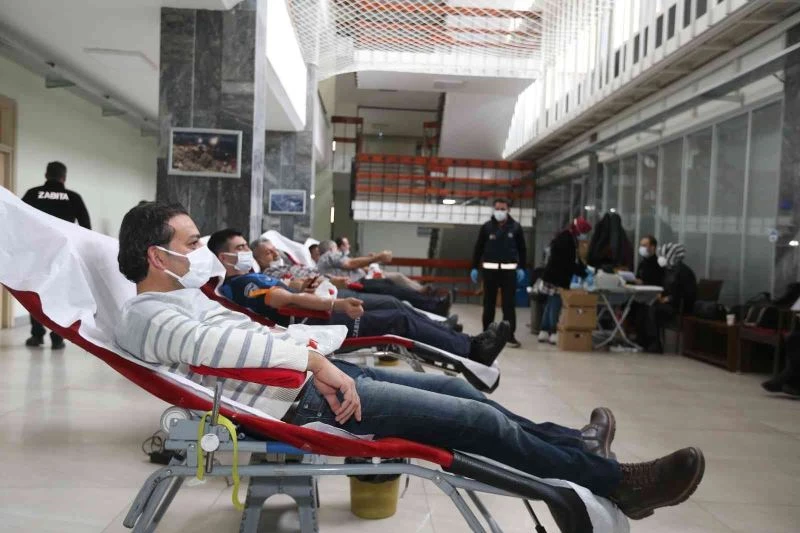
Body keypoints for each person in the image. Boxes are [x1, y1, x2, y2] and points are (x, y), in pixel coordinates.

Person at [113, 201, 705, 520]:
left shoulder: (182, 300)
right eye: (192, 243)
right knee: (477, 422)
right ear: (156, 256)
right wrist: (317, 363)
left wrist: (319, 354)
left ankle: (576, 445)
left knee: (465, 395)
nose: (203, 252)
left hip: (304, 380)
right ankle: (619, 483)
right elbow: (229, 348)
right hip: (298, 402)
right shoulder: (146, 316)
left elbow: (247, 336)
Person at [210, 230, 501, 364]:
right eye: (241, 248)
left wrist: (306, 288)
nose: (247, 252)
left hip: (315, 313)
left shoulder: (249, 277)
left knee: (396, 309)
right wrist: (335, 303)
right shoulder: (243, 283)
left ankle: (465, 342)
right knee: (397, 320)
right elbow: (281, 300)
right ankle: (471, 350)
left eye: (247, 246)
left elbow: (286, 292)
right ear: (224, 257)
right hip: (315, 324)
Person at [21, 161, 91, 349]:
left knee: (35, 294)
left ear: (46, 175)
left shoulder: (32, 194)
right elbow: (86, 227)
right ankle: (57, 337)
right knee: (60, 297)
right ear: (64, 177)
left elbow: (19, 220)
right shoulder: (73, 198)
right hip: (62, 256)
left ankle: (37, 335)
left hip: (37, 255)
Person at [316, 240, 450, 316]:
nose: (339, 252)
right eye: (336, 249)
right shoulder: (329, 255)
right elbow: (350, 264)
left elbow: (352, 265)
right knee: (395, 291)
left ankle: (431, 304)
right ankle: (433, 305)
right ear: (331, 248)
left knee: (395, 289)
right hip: (358, 284)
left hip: (359, 283)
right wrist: (378, 257)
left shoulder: (325, 262)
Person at [471, 198, 527, 349]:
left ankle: (509, 336)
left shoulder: (515, 227)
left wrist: (522, 267)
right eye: (497, 209)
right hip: (490, 272)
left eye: (503, 209)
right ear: (493, 209)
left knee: (509, 305)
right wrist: (474, 267)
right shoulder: (487, 227)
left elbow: (522, 249)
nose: (500, 212)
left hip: (509, 272)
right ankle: (487, 334)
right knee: (488, 304)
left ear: (508, 210)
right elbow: (478, 248)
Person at [537, 217, 593, 345]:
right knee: (555, 305)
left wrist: (583, 269)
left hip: (552, 276)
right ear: (579, 230)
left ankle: (544, 331)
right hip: (557, 278)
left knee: (550, 304)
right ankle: (553, 332)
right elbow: (569, 263)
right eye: (584, 232)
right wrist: (584, 273)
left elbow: (574, 260)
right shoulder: (566, 240)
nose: (584, 236)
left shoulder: (568, 236)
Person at [636, 243, 697, 354]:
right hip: (667, 304)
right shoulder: (668, 270)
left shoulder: (684, 272)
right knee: (644, 306)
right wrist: (660, 295)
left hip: (678, 307)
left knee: (652, 309)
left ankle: (655, 344)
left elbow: (688, 294)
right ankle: (644, 341)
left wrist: (669, 299)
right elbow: (665, 287)